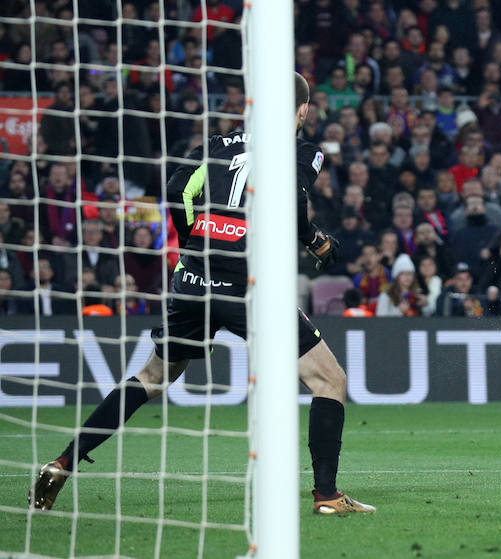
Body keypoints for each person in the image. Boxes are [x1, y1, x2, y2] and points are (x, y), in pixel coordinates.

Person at [30, 74, 375, 516]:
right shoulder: (304, 151)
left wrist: (196, 240)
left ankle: (63, 462)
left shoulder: (217, 144)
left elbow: (175, 191)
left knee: (152, 379)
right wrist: (316, 241)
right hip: (246, 284)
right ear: (303, 110)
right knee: (329, 380)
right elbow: (293, 204)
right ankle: (327, 495)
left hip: (192, 277)